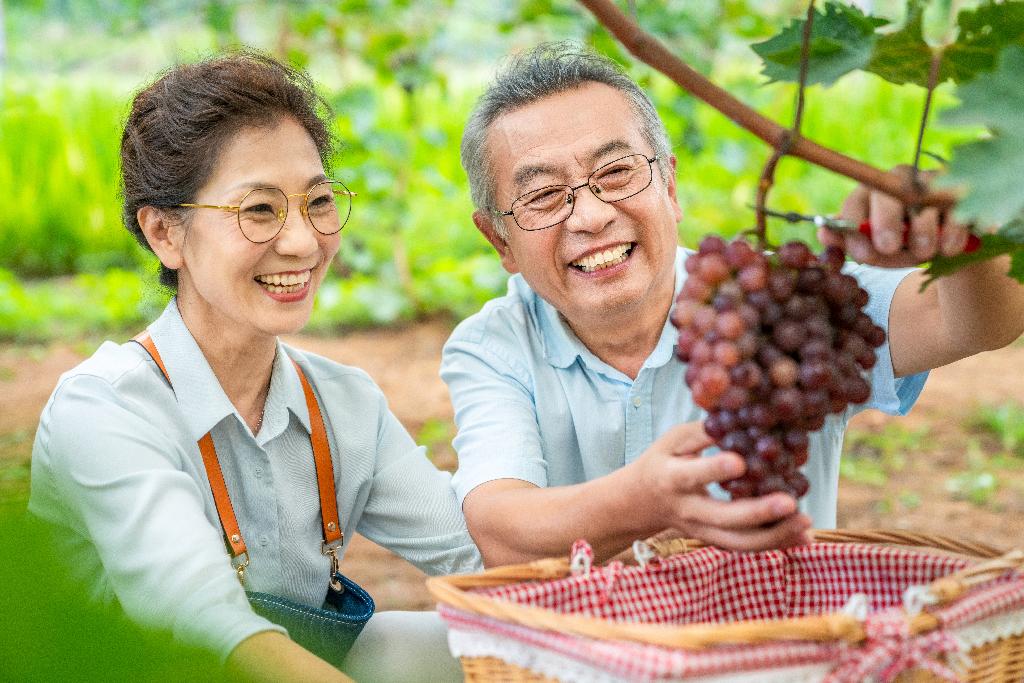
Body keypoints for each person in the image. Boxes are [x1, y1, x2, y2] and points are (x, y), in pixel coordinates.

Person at [442, 43, 1024, 568]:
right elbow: (501, 528)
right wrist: (644, 501)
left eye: (616, 173)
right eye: (543, 196)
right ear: (500, 241)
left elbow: (982, 323)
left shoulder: (778, 306)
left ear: (669, 189)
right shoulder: (495, 345)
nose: (591, 217)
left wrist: (958, 238)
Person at [29, 53, 477, 683]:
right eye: (260, 210)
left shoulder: (344, 403)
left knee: (486, 649)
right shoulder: (104, 408)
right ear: (164, 234)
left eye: (318, 201)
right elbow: (210, 626)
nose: (303, 241)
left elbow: (472, 551)